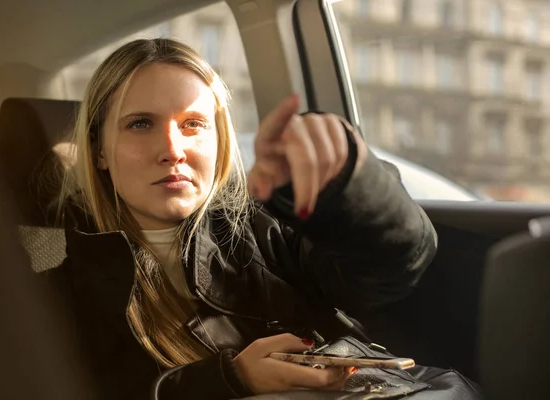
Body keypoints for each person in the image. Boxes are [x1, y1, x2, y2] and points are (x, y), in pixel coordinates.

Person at [44, 38, 442, 399]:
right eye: (140, 124)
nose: (172, 149)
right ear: (98, 151)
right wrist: (230, 379)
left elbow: (395, 266)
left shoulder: (268, 232)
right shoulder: (53, 300)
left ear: (219, 140)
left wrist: (347, 183)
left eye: (193, 125)